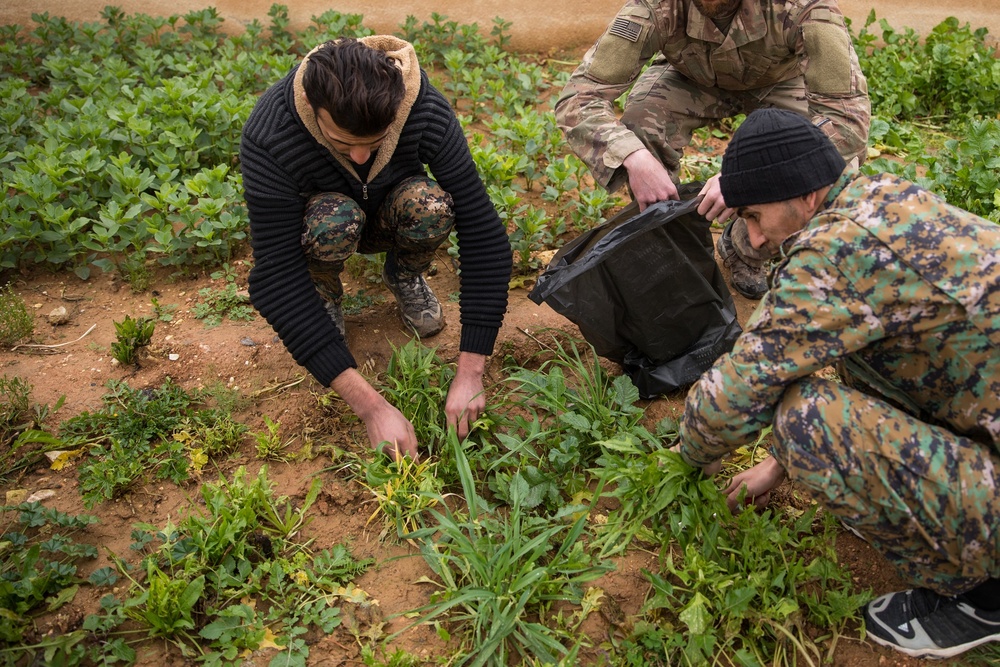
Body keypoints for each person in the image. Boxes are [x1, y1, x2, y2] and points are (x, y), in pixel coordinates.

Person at [674, 108, 1000, 659]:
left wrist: (690, 459)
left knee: (803, 419)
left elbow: (742, 386)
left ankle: (984, 598)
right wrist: (776, 466)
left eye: (755, 216)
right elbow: (874, 356)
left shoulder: (836, 253)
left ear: (805, 196)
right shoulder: (882, 196)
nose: (752, 239)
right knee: (863, 360)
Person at [240, 37, 513, 459]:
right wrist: (370, 407)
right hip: (327, 223)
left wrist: (471, 371)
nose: (362, 155)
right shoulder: (271, 131)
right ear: (315, 110)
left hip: (391, 210)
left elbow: (484, 233)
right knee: (332, 219)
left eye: (376, 140)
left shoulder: (423, 108)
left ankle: (404, 274)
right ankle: (325, 290)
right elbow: (275, 277)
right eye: (343, 141)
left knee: (432, 203)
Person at [555, 0, 870, 299]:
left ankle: (747, 248)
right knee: (642, 124)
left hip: (782, 81)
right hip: (691, 78)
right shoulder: (654, 7)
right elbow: (579, 98)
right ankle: (668, 247)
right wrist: (634, 157)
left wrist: (751, 177)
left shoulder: (804, 7)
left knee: (835, 168)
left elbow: (846, 122)